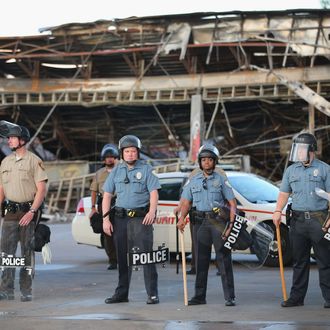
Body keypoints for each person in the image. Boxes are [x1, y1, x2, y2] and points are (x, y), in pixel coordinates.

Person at [272, 133, 330, 308]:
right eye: (296, 150)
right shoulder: (291, 170)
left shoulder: (325, 169)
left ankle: (329, 298)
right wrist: (277, 210)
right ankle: (296, 298)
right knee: (299, 261)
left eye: (302, 149)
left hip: (319, 220)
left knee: (325, 261)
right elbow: (284, 193)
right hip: (297, 222)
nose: (298, 153)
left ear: (311, 150)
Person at [102, 135, 161, 304]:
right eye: (127, 151)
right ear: (122, 153)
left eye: (133, 151)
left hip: (141, 219)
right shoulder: (116, 171)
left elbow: (154, 192)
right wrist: (106, 219)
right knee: (122, 257)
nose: (130, 154)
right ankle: (122, 294)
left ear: (138, 152)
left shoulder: (146, 169)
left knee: (146, 256)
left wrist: (152, 211)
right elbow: (107, 195)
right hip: (121, 219)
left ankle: (152, 293)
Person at [177, 144, 237, 306]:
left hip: (218, 223)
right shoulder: (193, 180)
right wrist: (181, 218)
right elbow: (186, 202)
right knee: (200, 260)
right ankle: (199, 296)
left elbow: (232, 203)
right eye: (204, 160)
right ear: (200, 162)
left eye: (210, 160)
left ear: (215, 162)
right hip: (200, 223)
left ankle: (229, 296)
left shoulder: (221, 179)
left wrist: (231, 224)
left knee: (223, 259)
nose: (207, 163)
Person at [0, 124, 48, 302]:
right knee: (7, 253)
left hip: (28, 211)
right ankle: (6, 289)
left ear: (22, 140)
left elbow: (41, 190)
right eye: (9, 138)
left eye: (12, 137)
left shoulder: (34, 161)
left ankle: (26, 289)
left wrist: (32, 211)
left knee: (27, 252)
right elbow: (2, 189)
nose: (8, 140)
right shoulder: (5, 162)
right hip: (10, 213)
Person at [174, 166, 229, 276]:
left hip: (216, 213)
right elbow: (187, 192)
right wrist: (180, 206)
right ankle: (196, 267)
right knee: (197, 243)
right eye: (203, 158)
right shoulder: (194, 172)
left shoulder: (220, 172)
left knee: (219, 242)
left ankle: (222, 267)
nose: (206, 161)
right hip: (197, 212)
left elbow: (225, 192)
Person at [89, 143, 119, 270]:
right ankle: (113, 261)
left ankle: (124, 258)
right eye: (107, 157)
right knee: (108, 234)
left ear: (116, 157)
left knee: (122, 232)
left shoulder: (121, 170)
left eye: (112, 156)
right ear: (104, 159)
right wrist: (93, 207)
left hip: (119, 203)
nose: (110, 159)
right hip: (104, 205)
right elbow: (94, 191)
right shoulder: (99, 173)